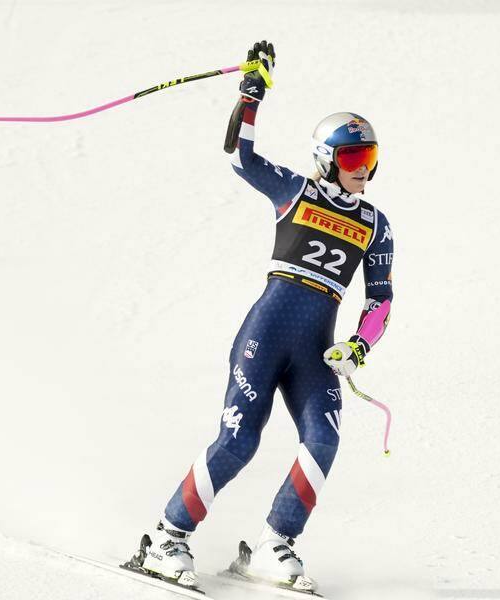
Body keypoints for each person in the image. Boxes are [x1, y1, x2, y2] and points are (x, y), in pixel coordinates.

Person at [130, 40, 394, 592]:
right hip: (268, 331)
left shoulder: (376, 222)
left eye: (369, 159)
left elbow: (380, 299)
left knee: (323, 440)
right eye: (352, 159)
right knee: (240, 441)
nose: (362, 171)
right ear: (326, 158)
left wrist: (360, 345)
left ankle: (276, 544)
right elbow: (240, 158)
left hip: (316, 347)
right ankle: (166, 535)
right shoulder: (295, 190)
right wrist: (252, 93)